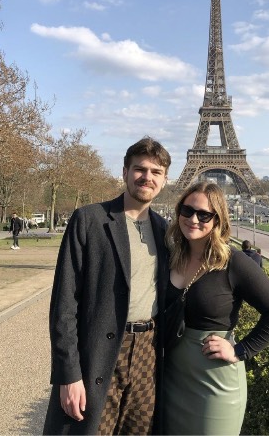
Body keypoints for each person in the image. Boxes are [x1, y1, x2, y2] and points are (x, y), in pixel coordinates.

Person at [43, 137, 171, 435]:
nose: (146, 177)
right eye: (139, 169)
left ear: (165, 180)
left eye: (155, 172)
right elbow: (64, 303)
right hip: (99, 351)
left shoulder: (165, 231)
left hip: (146, 354)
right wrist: (68, 375)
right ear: (125, 171)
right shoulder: (89, 220)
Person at [163, 182, 269, 435]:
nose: (194, 219)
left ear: (218, 219)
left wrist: (240, 350)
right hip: (172, 378)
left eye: (204, 215)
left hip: (213, 384)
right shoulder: (172, 256)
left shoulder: (235, 262)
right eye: (187, 211)